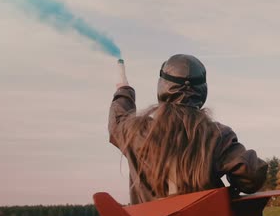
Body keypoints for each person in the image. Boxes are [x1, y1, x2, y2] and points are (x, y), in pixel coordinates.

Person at [108, 54, 268, 204]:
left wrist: (123, 89)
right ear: (202, 91)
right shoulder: (217, 135)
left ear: (162, 87)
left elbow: (119, 120)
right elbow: (251, 175)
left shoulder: (136, 132)